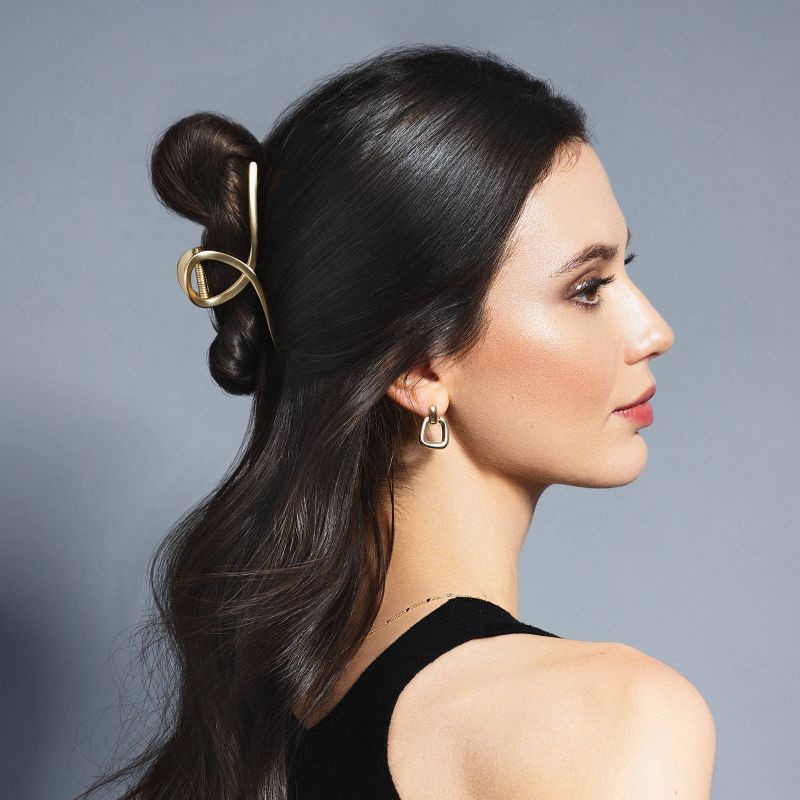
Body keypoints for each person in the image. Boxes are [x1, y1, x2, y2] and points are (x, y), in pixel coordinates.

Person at [75, 43, 715, 800]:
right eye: (587, 287)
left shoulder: (258, 728)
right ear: (419, 367)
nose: (654, 330)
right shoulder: (611, 719)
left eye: (624, 270)